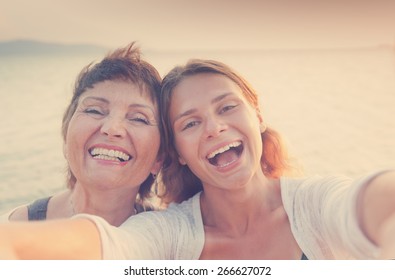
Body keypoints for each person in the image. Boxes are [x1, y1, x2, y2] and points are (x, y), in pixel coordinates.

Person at [0, 59, 394, 260]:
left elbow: (367, 202)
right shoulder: (169, 234)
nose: (214, 128)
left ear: (257, 117)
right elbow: (109, 246)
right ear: (178, 155)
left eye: (227, 108)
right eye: (190, 124)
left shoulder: (314, 205)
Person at [0, 42, 163, 226]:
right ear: (66, 135)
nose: (112, 128)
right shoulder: (12, 229)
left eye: (138, 118)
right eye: (94, 110)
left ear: (160, 158)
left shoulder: (176, 244)